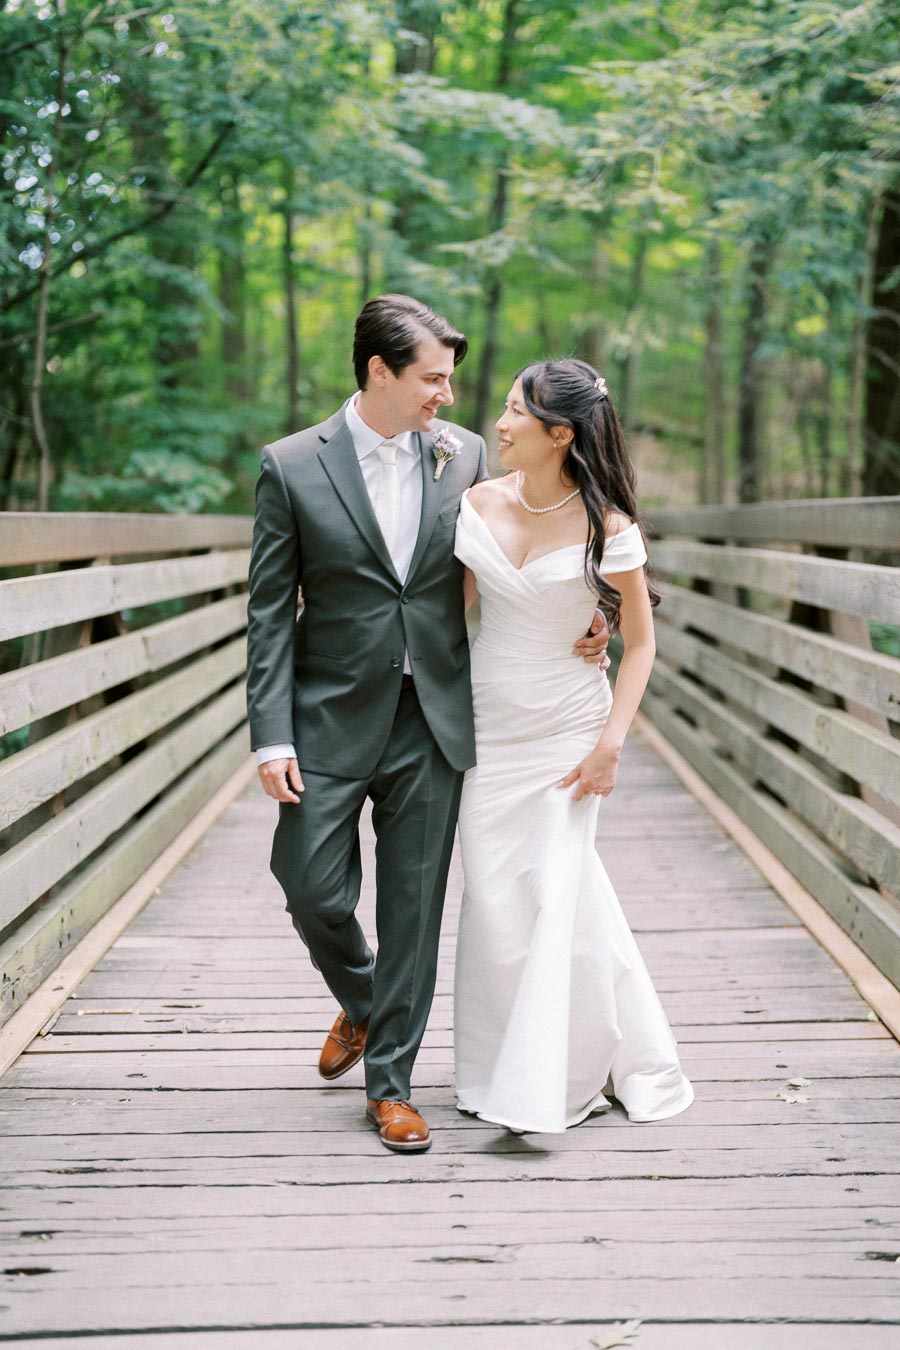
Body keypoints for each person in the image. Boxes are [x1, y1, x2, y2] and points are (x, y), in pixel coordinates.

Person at [245, 296, 609, 1153]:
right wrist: (271, 733)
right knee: (311, 886)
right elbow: (267, 613)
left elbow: (547, 529)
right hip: (327, 713)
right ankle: (367, 1002)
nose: (449, 396)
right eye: (433, 379)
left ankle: (393, 1088)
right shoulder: (292, 466)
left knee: (414, 903)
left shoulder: (469, 456)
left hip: (437, 713)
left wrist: (590, 617)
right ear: (380, 372)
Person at [453, 358, 694, 1134]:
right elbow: (445, 614)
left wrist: (611, 746)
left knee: (554, 892)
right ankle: (498, 1064)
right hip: (488, 727)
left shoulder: (609, 528)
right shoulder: (476, 501)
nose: (500, 422)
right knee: (495, 899)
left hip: (567, 729)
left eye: (516, 411)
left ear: (560, 434)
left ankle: (546, 1082)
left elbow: (642, 644)